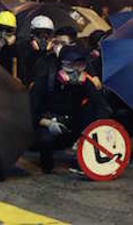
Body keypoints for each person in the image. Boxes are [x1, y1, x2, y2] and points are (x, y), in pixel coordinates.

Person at [30, 45, 110, 173]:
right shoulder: (44, 81)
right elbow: (30, 112)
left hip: (73, 123)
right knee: (46, 139)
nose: (75, 71)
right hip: (49, 122)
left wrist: (90, 132)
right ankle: (46, 162)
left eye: (80, 66)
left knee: (91, 108)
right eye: (70, 66)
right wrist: (47, 123)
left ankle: (83, 156)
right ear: (60, 65)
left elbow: (102, 107)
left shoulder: (84, 83)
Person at [16, 15, 55, 87]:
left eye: (47, 35)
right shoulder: (23, 49)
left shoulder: (52, 54)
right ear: (32, 35)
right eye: (39, 34)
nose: (43, 39)